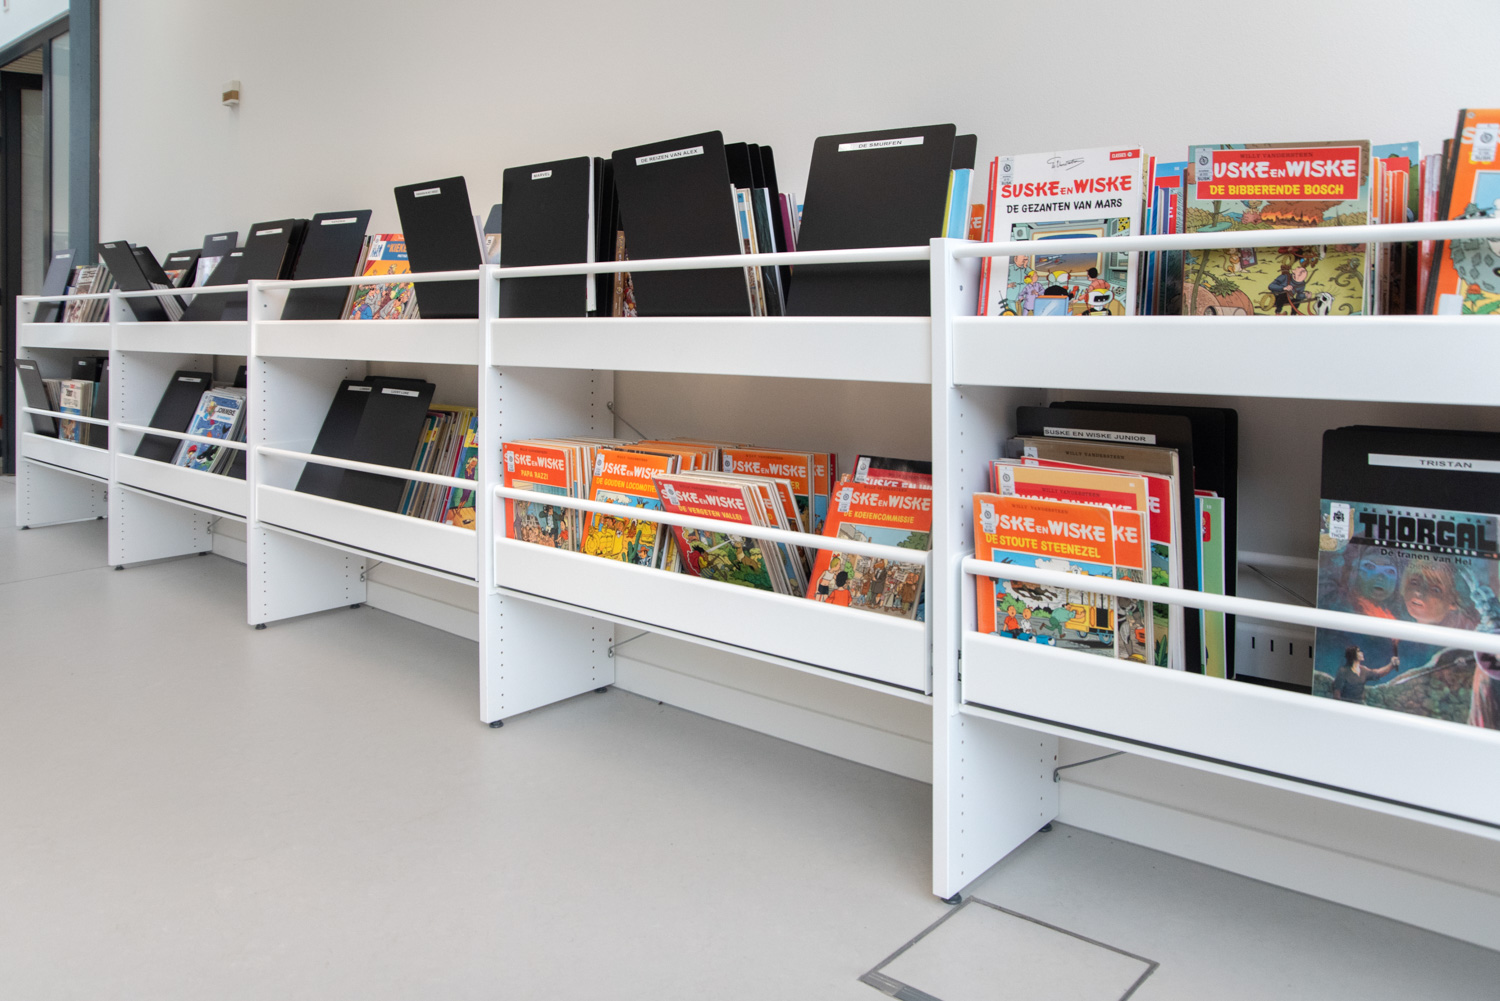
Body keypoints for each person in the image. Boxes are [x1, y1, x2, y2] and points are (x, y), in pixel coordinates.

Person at [1330, 645, 1399, 703]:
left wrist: (1391, 665)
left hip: (1360, 704)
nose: (1361, 653)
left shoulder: (1363, 670)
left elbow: (1378, 673)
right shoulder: (1343, 671)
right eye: (1358, 651)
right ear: (1353, 654)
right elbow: (1337, 693)